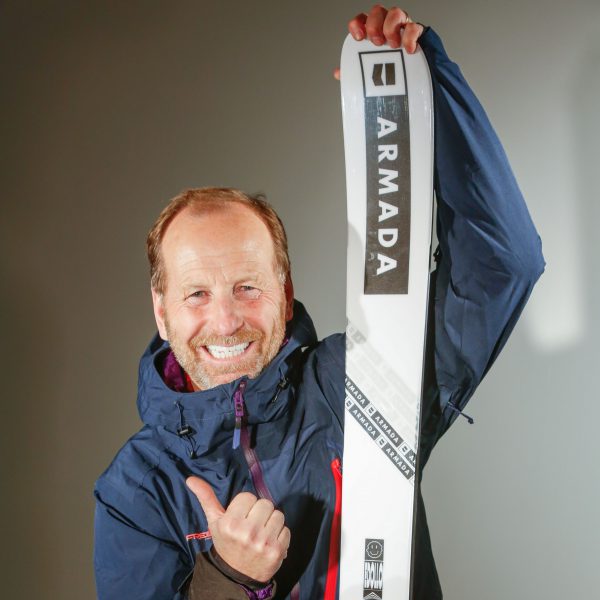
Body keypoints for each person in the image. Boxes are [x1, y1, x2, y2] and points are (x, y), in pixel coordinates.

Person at [94, 6, 545, 600]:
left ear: (285, 294)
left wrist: (427, 96)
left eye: (248, 287)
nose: (225, 320)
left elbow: (500, 266)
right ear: (161, 310)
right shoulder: (134, 489)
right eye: (197, 294)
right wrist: (226, 579)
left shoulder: (356, 385)